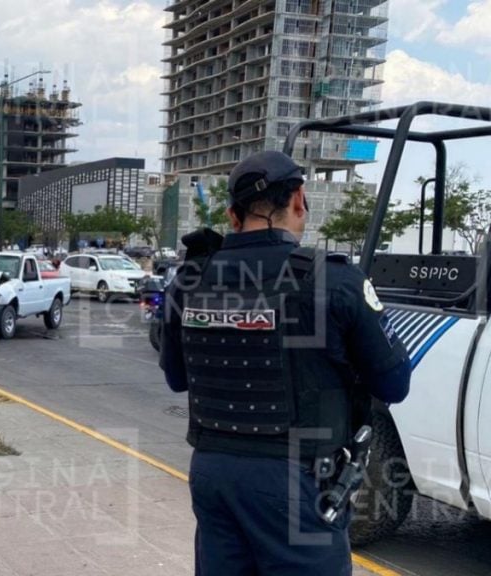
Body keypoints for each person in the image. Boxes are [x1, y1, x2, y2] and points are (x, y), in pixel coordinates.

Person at [159, 151, 411, 576]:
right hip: (297, 479)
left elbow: (176, 379)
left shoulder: (189, 280)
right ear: (299, 200)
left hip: (214, 474)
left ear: (232, 216)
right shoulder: (334, 280)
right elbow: (394, 384)